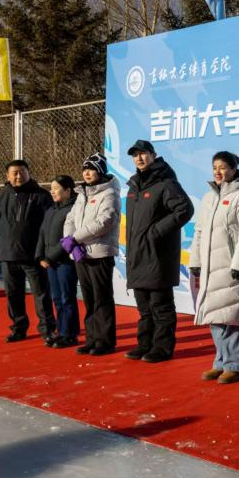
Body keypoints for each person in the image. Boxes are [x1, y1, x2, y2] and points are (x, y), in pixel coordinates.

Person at [189, 151, 239, 384]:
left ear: (233, 169)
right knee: (214, 315)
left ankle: (234, 365)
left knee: (232, 316)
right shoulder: (209, 197)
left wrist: (238, 263)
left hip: (230, 267)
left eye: (223, 167)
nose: (218, 172)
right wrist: (195, 260)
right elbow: (199, 231)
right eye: (215, 167)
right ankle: (220, 362)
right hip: (210, 267)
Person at [124, 140, 194, 363]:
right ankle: (145, 344)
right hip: (137, 255)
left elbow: (185, 209)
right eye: (135, 155)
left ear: (153, 155)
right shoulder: (134, 186)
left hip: (157, 256)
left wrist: (156, 232)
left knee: (160, 306)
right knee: (144, 308)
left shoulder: (166, 183)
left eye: (143, 153)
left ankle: (162, 348)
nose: (139, 158)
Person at [0, 160, 56, 344]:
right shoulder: (2, 195)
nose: (19, 176)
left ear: (28, 172)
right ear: (8, 175)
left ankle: (47, 330)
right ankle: (18, 328)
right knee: (13, 294)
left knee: (41, 294)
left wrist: (44, 252)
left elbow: (49, 226)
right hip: (8, 255)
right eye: (15, 173)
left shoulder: (41, 195)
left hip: (34, 256)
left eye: (22, 172)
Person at [62, 154, 121, 356]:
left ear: (101, 171)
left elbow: (105, 221)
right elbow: (70, 218)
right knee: (88, 298)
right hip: (81, 254)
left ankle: (105, 341)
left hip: (99, 254)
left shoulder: (109, 193)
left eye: (92, 169)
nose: (87, 173)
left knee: (102, 298)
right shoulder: (82, 193)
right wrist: (69, 240)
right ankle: (91, 339)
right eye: (85, 169)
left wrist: (75, 238)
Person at [35, 175, 80, 348]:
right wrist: (40, 256)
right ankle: (61, 332)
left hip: (65, 262)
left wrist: (50, 257)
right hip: (50, 263)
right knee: (57, 299)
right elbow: (42, 233)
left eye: (56, 188)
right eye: (51, 188)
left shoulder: (73, 209)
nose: (52, 192)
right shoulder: (51, 210)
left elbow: (69, 238)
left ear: (68, 190)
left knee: (67, 298)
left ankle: (70, 334)